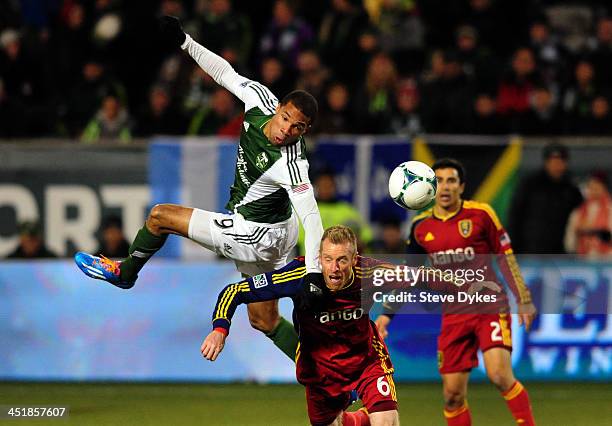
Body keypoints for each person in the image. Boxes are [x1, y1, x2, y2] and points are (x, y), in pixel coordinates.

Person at [74, 16, 324, 362]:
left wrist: (313, 274)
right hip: (273, 231)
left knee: (160, 216)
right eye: (286, 119)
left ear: (304, 131)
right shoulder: (259, 100)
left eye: (297, 128)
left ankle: (125, 272)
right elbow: (224, 73)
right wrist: (185, 41)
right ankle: (323, 374)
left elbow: (312, 216)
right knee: (264, 320)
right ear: (279, 108)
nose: (287, 130)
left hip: (257, 233)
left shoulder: (292, 163)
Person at [201, 225, 498, 426]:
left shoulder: (370, 271)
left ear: (354, 258)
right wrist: (219, 329)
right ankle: (356, 418)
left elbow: (420, 276)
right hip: (320, 372)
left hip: (365, 361)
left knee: (388, 420)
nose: (334, 268)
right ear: (319, 257)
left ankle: (369, 414)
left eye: (342, 260)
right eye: (328, 259)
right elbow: (234, 292)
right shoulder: (299, 275)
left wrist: (465, 284)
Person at [375, 158, 537, 426]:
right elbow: (409, 275)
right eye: (438, 181)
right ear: (429, 186)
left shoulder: (481, 215)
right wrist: (387, 315)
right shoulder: (420, 228)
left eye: (451, 180)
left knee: (498, 374)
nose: (445, 187)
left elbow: (504, 256)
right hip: (454, 313)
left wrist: (523, 298)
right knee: (452, 395)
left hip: (489, 305)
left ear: (461, 186)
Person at [509, 143, 583, 253]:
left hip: (560, 252)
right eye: (553, 161)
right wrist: (515, 247)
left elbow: (579, 218)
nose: (556, 165)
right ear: (546, 162)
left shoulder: (571, 189)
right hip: (530, 251)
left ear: (565, 163)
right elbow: (515, 215)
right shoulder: (530, 184)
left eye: (560, 161)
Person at [564, 171, 612, 258]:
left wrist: (601, 232)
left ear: (605, 188)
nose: (593, 191)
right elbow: (569, 244)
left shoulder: (610, 209)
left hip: (607, 260)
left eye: (597, 187)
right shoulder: (579, 212)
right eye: (591, 187)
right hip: (585, 260)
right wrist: (579, 232)